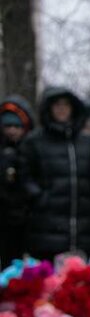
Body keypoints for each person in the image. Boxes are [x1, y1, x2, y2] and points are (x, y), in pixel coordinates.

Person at [17, 87, 90, 259]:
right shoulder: (34, 142)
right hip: (46, 226)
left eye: (66, 105)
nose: (62, 109)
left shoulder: (89, 143)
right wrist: (39, 197)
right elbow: (24, 176)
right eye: (57, 105)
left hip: (84, 226)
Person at [1, 96, 34, 264]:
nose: (12, 131)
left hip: (28, 217)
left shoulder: (33, 150)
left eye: (17, 126)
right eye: (8, 126)